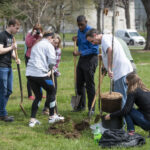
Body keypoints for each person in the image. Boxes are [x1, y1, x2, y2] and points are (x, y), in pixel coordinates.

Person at [86, 29, 133, 108]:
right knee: (126, 97)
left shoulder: (104, 39)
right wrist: (104, 65)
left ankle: (124, 119)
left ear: (95, 35)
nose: (93, 43)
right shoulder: (107, 38)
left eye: (92, 41)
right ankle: (124, 117)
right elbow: (108, 53)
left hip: (120, 71)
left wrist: (109, 68)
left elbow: (110, 50)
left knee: (121, 98)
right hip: (124, 69)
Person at [26, 32, 64, 127]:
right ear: (50, 38)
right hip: (41, 74)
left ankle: (32, 120)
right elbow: (52, 61)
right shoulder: (49, 45)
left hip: (30, 74)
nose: (53, 41)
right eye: (53, 39)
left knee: (38, 96)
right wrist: (50, 68)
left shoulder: (36, 44)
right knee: (52, 91)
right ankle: (52, 116)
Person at [72, 15, 99, 115]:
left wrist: (80, 53)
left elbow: (94, 49)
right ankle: (80, 106)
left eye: (82, 25)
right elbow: (81, 44)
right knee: (79, 83)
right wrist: (76, 40)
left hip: (91, 58)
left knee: (89, 84)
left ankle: (91, 108)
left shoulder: (92, 32)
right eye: (78, 25)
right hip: (82, 58)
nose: (80, 27)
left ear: (86, 22)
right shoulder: (79, 31)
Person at [0, 19, 20, 122]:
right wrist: (11, 47)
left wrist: (15, 58)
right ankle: (2, 114)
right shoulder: (2, 35)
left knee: (9, 90)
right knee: (3, 91)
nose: (17, 30)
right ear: (11, 26)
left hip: (8, 66)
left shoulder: (12, 37)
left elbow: (10, 52)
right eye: (16, 28)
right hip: (1, 66)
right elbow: (0, 50)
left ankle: (1, 111)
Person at [42, 33, 62, 115]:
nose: (55, 44)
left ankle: (49, 108)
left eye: (57, 43)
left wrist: (51, 71)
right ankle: (48, 108)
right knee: (50, 90)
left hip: (53, 72)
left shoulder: (58, 50)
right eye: (54, 42)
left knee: (53, 91)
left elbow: (56, 64)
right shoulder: (45, 49)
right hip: (44, 72)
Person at [25, 23, 43, 100]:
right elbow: (28, 44)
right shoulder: (29, 35)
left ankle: (40, 93)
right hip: (29, 57)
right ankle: (30, 94)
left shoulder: (42, 36)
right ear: (33, 29)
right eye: (35, 29)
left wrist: (41, 37)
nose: (37, 31)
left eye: (39, 30)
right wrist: (33, 36)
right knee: (30, 76)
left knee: (40, 75)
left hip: (38, 58)